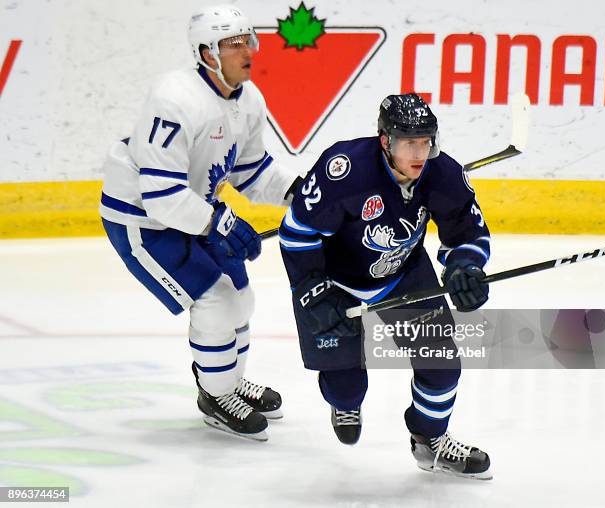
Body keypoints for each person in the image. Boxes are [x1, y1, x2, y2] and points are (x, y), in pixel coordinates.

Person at [99, 5, 302, 442]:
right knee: (216, 302)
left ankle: (226, 383)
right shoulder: (175, 98)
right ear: (208, 53)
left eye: (248, 40)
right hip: (141, 219)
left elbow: (252, 171)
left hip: (194, 213)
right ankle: (215, 398)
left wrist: (301, 191)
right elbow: (160, 196)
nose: (246, 50)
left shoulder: (248, 99)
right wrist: (221, 223)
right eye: (234, 43)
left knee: (241, 296)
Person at [279, 93, 493, 479]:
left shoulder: (443, 174)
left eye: (425, 141)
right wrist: (312, 289)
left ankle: (431, 441)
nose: (419, 152)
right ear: (385, 140)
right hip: (334, 281)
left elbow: (467, 233)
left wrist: (465, 267)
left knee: (441, 364)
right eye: (409, 142)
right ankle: (344, 400)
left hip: (402, 275)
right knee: (345, 388)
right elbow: (297, 233)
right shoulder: (343, 170)